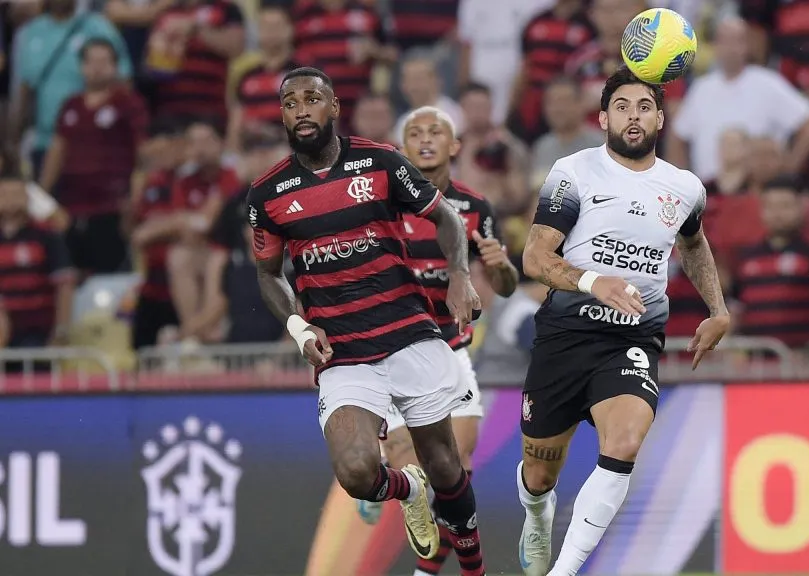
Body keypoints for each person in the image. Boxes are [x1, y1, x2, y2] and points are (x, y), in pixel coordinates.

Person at [246, 67, 487, 573]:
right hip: (343, 352)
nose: (302, 110)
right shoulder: (267, 195)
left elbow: (445, 218)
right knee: (357, 473)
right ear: (284, 115)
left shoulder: (381, 162)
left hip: (407, 333)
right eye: (291, 103)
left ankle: (473, 566)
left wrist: (460, 275)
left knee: (446, 466)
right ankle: (406, 488)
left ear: (333, 107)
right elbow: (269, 276)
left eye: (313, 99)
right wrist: (297, 326)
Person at [516, 66, 731, 576]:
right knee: (541, 472)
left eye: (643, 108)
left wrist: (719, 311)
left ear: (659, 119)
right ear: (603, 117)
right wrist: (596, 282)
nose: (632, 117)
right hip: (565, 334)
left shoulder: (684, 188)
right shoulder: (574, 172)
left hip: (632, 338)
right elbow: (535, 258)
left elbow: (694, 243)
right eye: (621, 108)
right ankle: (536, 513)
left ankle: (563, 572)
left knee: (626, 441)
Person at [324, 105, 517, 576]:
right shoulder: (379, 204)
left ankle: (426, 571)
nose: (426, 140)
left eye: (437, 132)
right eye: (415, 133)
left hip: (450, 349)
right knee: (414, 465)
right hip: (391, 350)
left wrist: (499, 267)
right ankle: (380, 486)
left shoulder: (474, 208)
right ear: (401, 148)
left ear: (454, 146)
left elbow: (507, 287)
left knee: (458, 466)